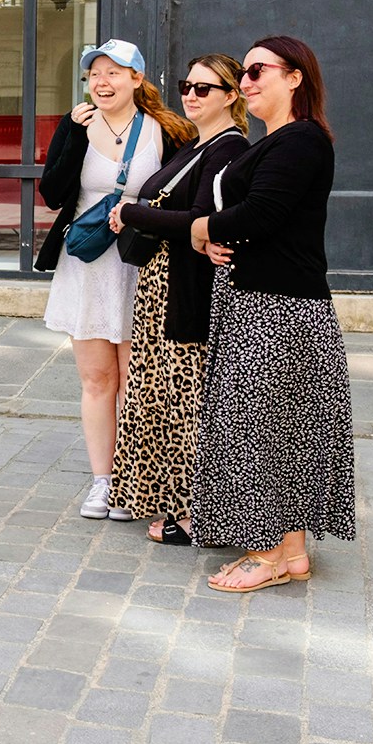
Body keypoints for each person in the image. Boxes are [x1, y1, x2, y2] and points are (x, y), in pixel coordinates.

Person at [187, 36, 357, 592]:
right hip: (268, 301)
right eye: (245, 74)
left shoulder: (300, 140)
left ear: (295, 78)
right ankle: (291, 553)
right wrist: (217, 238)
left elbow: (260, 214)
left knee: (257, 432)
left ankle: (264, 554)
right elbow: (261, 219)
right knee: (286, 430)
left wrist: (199, 229)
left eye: (259, 70)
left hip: (277, 310)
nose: (248, 81)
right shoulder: (282, 140)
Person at [36, 40, 196, 520]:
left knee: (137, 376)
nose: (101, 83)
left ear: (136, 80)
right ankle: (102, 482)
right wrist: (71, 135)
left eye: (113, 73)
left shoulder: (167, 130)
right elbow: (51, 193)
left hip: (141, 263)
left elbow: (187, 195)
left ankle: (132, 480)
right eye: (94, 75)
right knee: (96, 378)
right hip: (87, 264)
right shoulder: (76, 125)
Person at [106, 55, 250, 544]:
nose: (191, 95)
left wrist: (134, 213)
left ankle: (196, 514)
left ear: (231, 95)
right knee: (164, 394)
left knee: (188, 399)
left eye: (204, 88)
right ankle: (175, 503)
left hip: (186, 285)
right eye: (187, 85)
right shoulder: (195, 143)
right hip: (163, 280)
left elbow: (200, 217)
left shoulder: (229, 148)